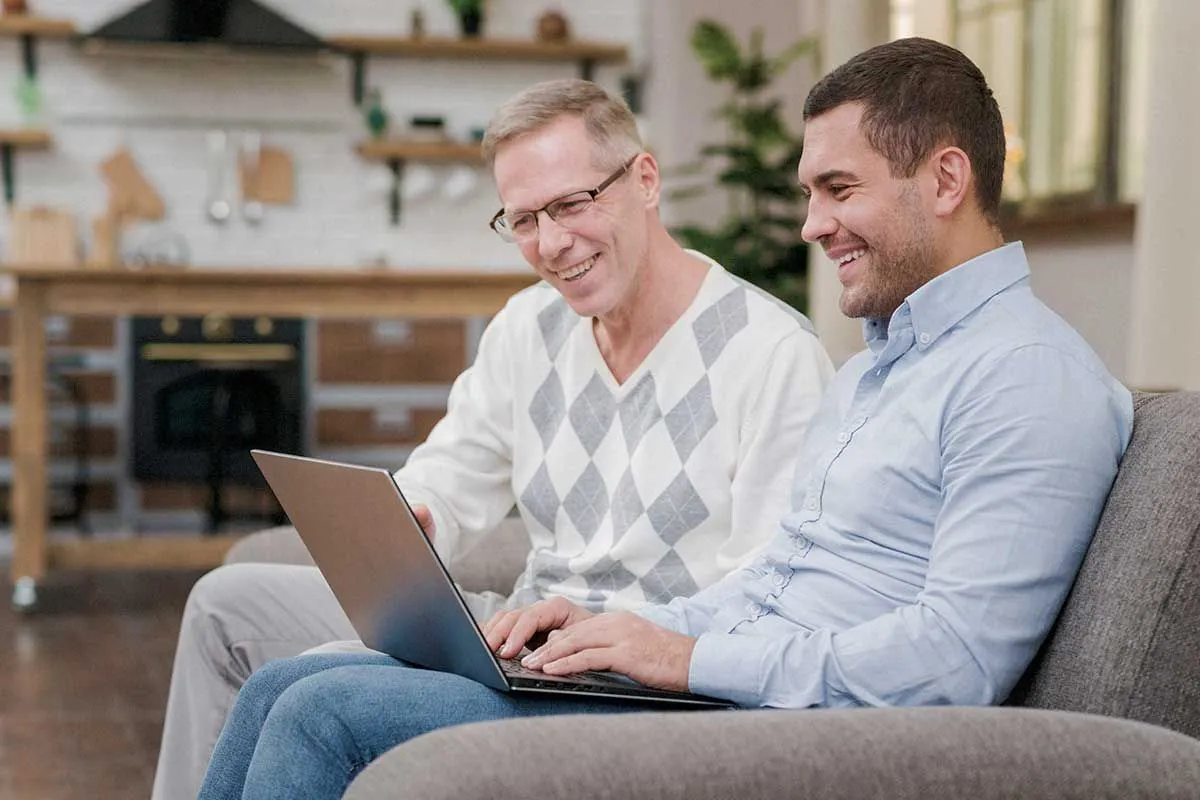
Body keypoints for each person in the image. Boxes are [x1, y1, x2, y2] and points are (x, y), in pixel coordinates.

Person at [196, 37, 1134, 800]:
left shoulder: (1027, 378)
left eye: (837, 190)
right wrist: (614, 634)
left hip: (770, 732)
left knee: (327, 716)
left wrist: (681, 658)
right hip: (706, 687)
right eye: (810, 193)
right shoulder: (879, 372)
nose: (810, 224)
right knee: (289, 683)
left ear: (945, 179)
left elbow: (956, 661)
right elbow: (773, 580)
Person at [152, 79, 834, 799]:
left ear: (645, 179)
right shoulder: (529, 327)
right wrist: (413, 519)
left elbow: (769, 600)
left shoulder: (770, 354)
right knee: (246, 636)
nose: (552, 244)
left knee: (314, 706)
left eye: (572, 204)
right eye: (524, 219)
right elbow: (452, 472)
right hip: (526, 638)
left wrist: (629, 635)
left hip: (643, 679)